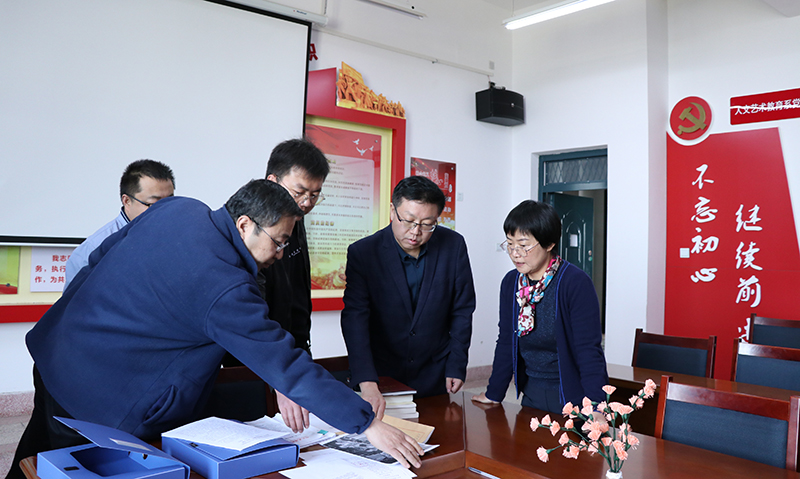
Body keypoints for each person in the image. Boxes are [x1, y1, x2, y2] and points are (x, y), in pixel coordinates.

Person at [7, 180, 421, 479]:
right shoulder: (225, 285)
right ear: (244, 225)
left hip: (54, 354)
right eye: (279, 241)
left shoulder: (178, 208)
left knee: (31, 458)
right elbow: (285, 363)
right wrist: (366, 424)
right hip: (99, 400)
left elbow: (99, 257)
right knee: (65, 468)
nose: (280, 254)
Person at [341, 176, 476, 420]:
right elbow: (355, 319)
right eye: (409, 221)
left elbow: (462, 309)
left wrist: (456, 363)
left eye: (427, 224)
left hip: (434, 370)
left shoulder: (453, 245)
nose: (415, 232)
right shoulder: (364, 253)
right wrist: (367, 380)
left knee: (439, 435)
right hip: (382, 373)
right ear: (392, 211)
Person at [472, 200, 608, 412]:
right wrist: (494, 393)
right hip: (532, 391)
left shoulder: (574, 283)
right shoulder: (511, 283)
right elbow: (507, 340)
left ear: (549, 244)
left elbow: (588, 350)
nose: (515, 253)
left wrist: (597, 406)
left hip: (572, 394)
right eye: (510, 244)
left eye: (523, 245)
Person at [259, 138, 329, 433]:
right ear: (272, 181)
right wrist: (281, 375)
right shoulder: (252, 227)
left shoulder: (295, 221)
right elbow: (251, 316)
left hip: (289, 357)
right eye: (299, 192)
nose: (307, 203)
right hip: (253, 360)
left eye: (314, 194)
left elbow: (297, 296)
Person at [64, 159, 175, 287]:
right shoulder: (92, 250)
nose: (164, 209)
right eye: (153, 204)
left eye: (170, 201)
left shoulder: (177, 238)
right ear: (127, 201)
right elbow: (77, 299)